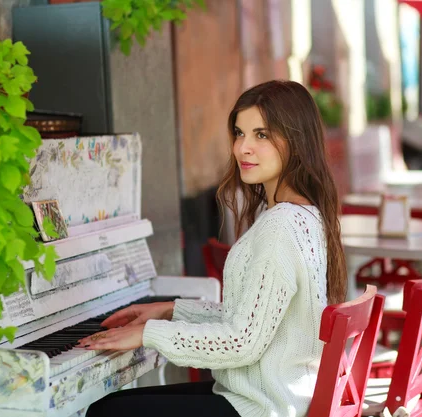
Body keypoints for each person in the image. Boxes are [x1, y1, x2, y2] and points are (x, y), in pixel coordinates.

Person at [79, 80, 347, 417]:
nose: (242, 148)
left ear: (296, 140)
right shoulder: (306, 215)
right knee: (113, 406)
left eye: (261, 135)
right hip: (273, 399)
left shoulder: (281, 225)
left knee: (108, 413)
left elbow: (241, 342)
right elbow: (256, 320)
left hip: (260, 407)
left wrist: (149, 334)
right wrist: (170, 310)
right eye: (239, 133)